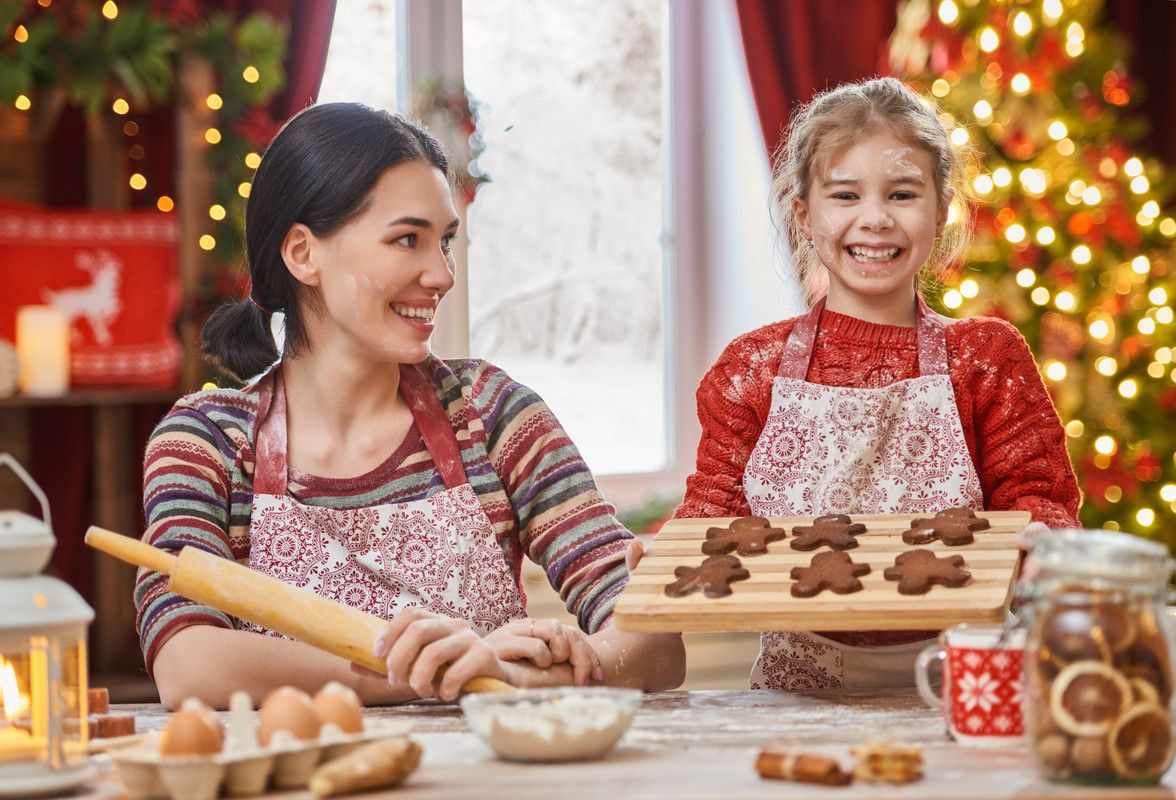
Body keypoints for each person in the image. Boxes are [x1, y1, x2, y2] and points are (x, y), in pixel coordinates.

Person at [136, 102, 685, 709]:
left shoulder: (489, 412)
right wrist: (423, 671)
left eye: (445, 242)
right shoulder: (207, 442)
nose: (443, 274)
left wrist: (524, 677)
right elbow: (187, 662)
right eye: (407, 240)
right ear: (302, 253)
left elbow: (654, 639)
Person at [673, 77, 1079, 691]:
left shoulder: (987, 359)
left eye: (903, 193)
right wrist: (660, 556)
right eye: (844, 194)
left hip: (963, 673)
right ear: (804, 215)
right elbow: (714, 518)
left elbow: (1038, 499)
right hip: (796, 689)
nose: (875, 219)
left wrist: (1039, 534)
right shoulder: (750, 367)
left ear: (942, 210)